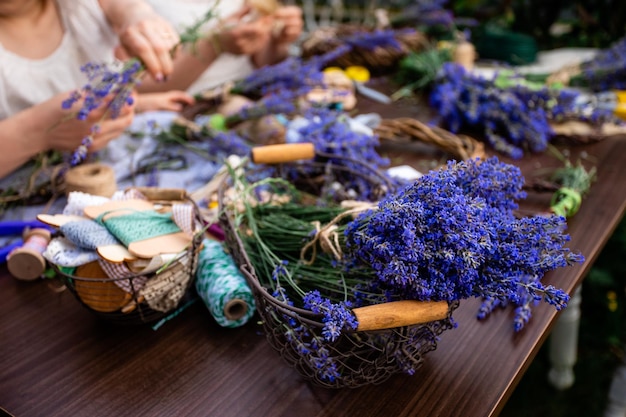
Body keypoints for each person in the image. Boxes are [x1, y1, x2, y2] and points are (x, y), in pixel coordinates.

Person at [0, 0, 192, 179]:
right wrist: (37, 131)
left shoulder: (80, 7)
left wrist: (137, 16)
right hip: (32, 190)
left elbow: (125, 8)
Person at [143, 0, 304, 95]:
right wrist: (214, 46)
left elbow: (264, 62)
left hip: (246, 94)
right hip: (181, 106)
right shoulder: (136, 8)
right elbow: (138, 90)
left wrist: (278, 40)